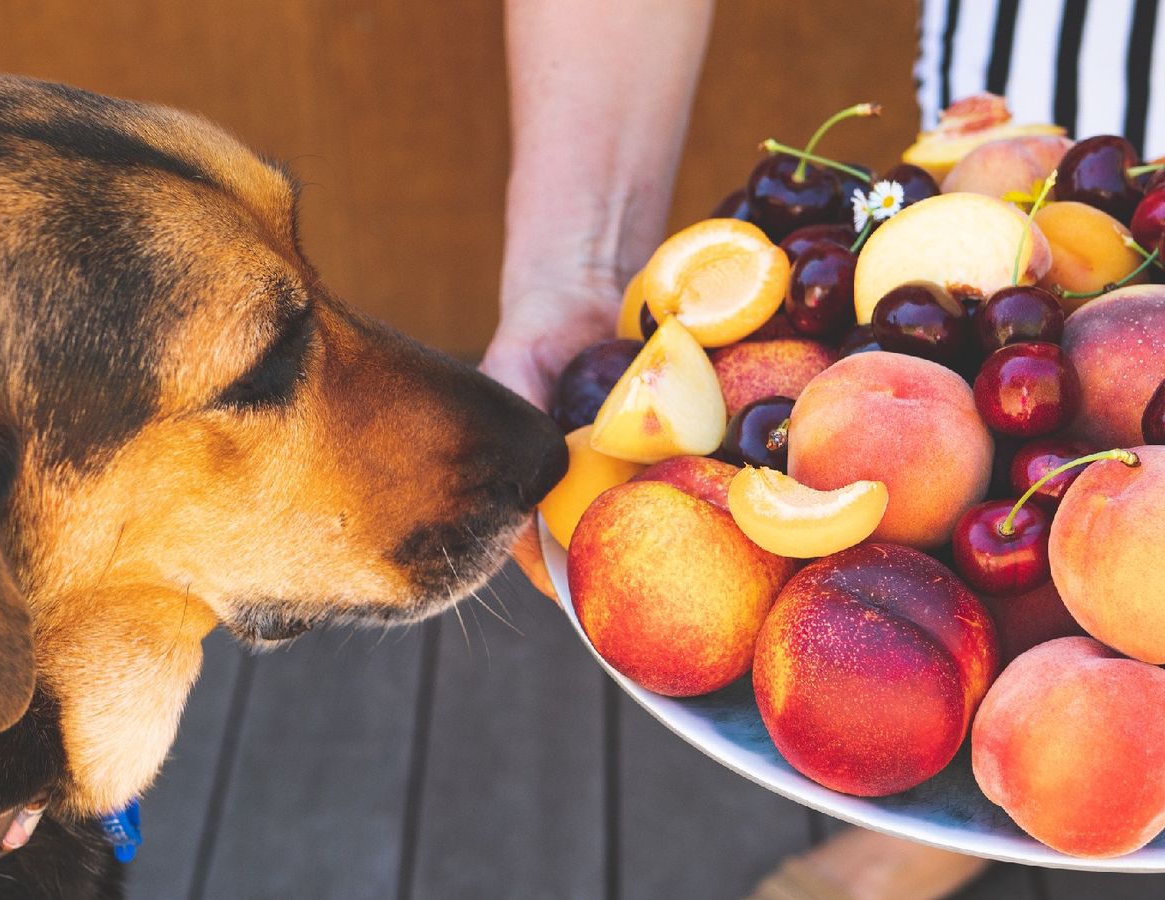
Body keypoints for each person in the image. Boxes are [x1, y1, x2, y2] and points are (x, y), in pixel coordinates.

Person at [482, 2, 1163, 898]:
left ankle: (1010, 750)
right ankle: (970, 781)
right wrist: (574, 272)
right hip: (1020, 123)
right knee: (964, 679)